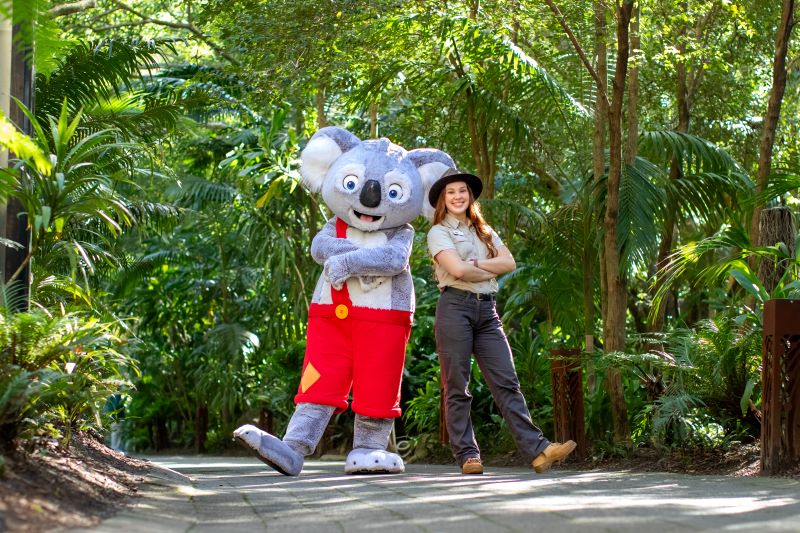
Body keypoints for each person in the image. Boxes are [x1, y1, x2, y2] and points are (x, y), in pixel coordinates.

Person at [426, 168, 576, 475]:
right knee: (457, 385)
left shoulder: (484, 231)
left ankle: (539, 452)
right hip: (455, 308)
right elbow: (457, 271)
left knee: (507, 382)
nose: (457, 196)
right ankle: (468, 456)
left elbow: (509, 263)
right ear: (443, 199)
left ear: (470, 197)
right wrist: (486, 269)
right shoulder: (438, 232)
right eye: (451, 192)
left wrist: (478, 264)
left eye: (462, 191)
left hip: (487, 311)